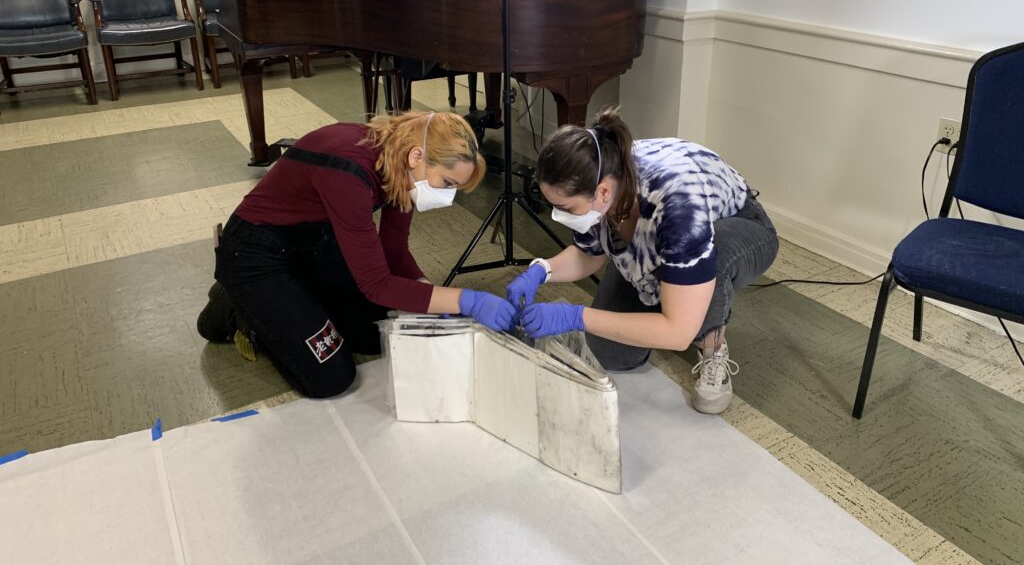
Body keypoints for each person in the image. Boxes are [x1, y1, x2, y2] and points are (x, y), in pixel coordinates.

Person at [198, 111, 517, 398]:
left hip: (314, 244)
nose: (447, 195)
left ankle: (293, 300)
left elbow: (394, 252)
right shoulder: (348, 170)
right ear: (417, 156)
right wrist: (466, 300)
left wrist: (427, 292)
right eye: (447, 183)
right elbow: (376, 284)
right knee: (330, 378)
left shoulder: (400, 162)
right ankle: (237, 307)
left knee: (376, 330)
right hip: (257, 253)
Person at [506, 107, 778, 414]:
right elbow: (588, 255)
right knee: (610, 353)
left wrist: (575, 316)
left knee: (709, 268)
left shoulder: (679, 205)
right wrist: (542, 270)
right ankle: (671, 290)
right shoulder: (600, 175)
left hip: (739, 226)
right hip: (655, 233)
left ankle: (713, 346)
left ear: (603, 192)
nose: (560, 215)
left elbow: (677, 333)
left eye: (566, 207)